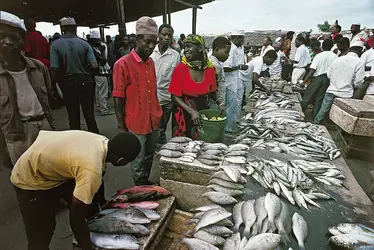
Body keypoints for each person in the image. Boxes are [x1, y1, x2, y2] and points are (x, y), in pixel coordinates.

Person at [10, 130, 141, 250]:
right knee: (42, 232)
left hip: (52, 163)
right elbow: (76, 219)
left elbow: (99, 177)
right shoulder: (91, 169)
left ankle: (89, 233)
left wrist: (102, 201)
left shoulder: (101, 142)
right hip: (29, 178)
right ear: (121, 160)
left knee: (90, 206)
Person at [0, 11, 55, 165]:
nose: (7, 42)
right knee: (24, 180)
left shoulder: (38, 68)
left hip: (44, 128)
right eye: (2, 37)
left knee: (51, 172)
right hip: (17, 135)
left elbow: (48, 98)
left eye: (14, 38)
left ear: (23, 41)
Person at [113, 16, 161, 185]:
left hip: (153, 119)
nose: (151, 46)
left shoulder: (151, 63)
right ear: (137, 39)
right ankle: (140, 187)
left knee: (150, 154)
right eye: (147, 41)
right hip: (135, 121)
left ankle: (145, 181)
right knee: (138, 158)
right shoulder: (122, 64)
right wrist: (120, 126)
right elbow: (118, 97)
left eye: (154, 42)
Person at [168, 34, 223, 139]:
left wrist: (220, 102)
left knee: (202, 144)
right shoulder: (181, 68)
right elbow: (174, 96)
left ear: (200, 48)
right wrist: (191, 111)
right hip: (183, 114)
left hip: (203, 112)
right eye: (185, 47)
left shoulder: (210, 69)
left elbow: (212, 92)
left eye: (189, 46)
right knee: (183, 148)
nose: (186, 50)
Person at [50, 17, 99, 133]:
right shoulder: (84, 44)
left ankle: (76, 142)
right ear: (75, 28)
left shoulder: (55, 45)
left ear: (62, 29)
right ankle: (96, 139)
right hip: (86, 82)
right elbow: (94, 65)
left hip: (67, 84)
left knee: (73, 115)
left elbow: (54, 68)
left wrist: (53, 86)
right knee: (89, 115)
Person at [314, 43, 365, 124]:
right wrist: (354, 86)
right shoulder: (359, 62)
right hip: (346, 93)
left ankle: (316, 123)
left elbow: (329, 74)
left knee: (323, 110)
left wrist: (334, 82)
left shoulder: (338, 59)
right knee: (341, 114)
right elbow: (358, 81)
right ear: (360, 50)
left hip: (332, 89)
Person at [150, 24, 180, 146]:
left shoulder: (175, 56)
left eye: (169, 35)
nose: (167, 37)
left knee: (161, 127)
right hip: (150, 98)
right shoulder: (150, 53)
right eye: (164, 34)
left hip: (166, 99)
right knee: (151, 126)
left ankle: (159, 147)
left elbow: (177, 79)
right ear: (158, 35)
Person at [301, 39, 337, 118]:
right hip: (327, 79)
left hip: (317, 78)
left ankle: (300, 112)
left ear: (322, 46)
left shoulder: (319, 55)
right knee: (319, 99)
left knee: (307, 96)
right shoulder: (335, 56)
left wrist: (304, 81)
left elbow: (312, 70)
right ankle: (314, 116)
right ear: (331, 46)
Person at [223, 30, 249, 133]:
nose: (243, 41)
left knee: (235, 104)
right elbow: (226, 67)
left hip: (237, 79)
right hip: (230, 81)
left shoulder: (240, 48)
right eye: (242, 39)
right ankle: (227, 128)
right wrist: (239, 67)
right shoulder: (231, 49)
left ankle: (232, 123)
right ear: (236, 38)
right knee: (230, 105)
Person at [90, 31, 114, 116]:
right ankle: (104, 109)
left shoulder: (92, 48)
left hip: (96, 73)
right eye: (98, 40)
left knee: (98, 91)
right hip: (101, 73)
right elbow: (103, 61)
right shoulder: (96, 50)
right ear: (94, 40)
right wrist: (103, 52)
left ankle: (100, 107)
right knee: (103, 92)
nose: (100, 42)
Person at [209, 36, 232, 114]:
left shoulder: (217, 63)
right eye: (226, 52)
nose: (228, 55)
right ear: (216, 49)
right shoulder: (214, 65)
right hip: (214, 103)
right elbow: (211, 88)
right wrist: (220, 103)